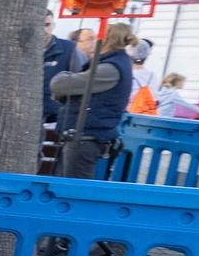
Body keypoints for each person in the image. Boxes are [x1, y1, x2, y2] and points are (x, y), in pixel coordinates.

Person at [47, 22, 136, 178]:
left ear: (105, 40)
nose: (93, 42)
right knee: (70, 185)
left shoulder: (109, 69)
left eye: (95, 38)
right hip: (85, 137)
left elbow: (59, 85)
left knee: (74, 187)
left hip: (86, 138)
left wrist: (64, 77)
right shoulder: (115, 64)